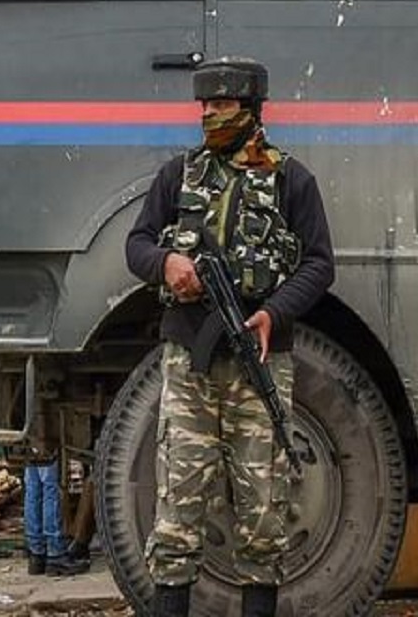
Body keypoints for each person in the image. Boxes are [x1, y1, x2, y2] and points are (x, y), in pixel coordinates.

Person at [125, 56, 335, 617]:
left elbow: (319, 264)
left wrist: (274, 312)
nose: (211, 115)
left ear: (251, 109)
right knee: (177, 511)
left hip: (260, 362)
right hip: (189, 367)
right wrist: (168, 264)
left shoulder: (292, 179)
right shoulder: (178, 175)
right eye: (205, 106)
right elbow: (137, 244)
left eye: (223, 105)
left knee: (264, 514)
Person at [22, 405, 88, 576]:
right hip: (44, 426)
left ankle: (36, 554)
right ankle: (55, 552)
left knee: (32, 488)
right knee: (50, 489)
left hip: (30, 423)